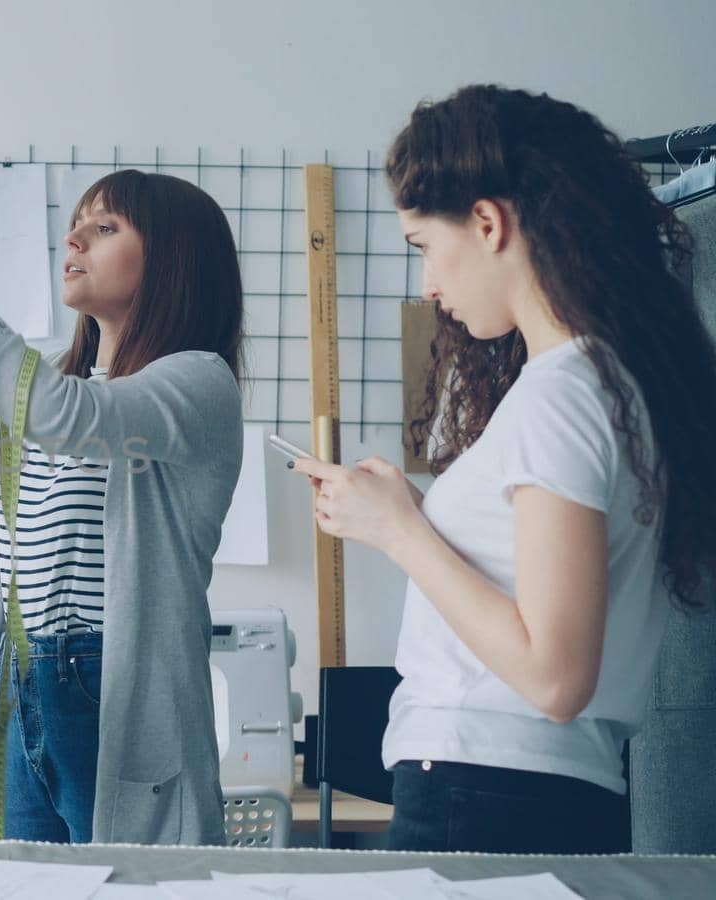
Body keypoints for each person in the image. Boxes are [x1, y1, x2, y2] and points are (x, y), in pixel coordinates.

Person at [293, 85, 716, 854]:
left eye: (423, 245)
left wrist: (400, 533)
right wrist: (414, 519)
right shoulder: (605, 383)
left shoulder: (563, 393)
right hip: (526, 791)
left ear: (487, 222)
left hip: (484, 789)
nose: (427, 285)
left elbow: (555, 677)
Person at [0, 169, 245, 844]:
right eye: (77, 224)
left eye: (104, 227)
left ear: (175, 259)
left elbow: (52, 412)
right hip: (22, 676)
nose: (73, 237)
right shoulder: (60, 386)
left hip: (104, 685)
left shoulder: (196, 382)